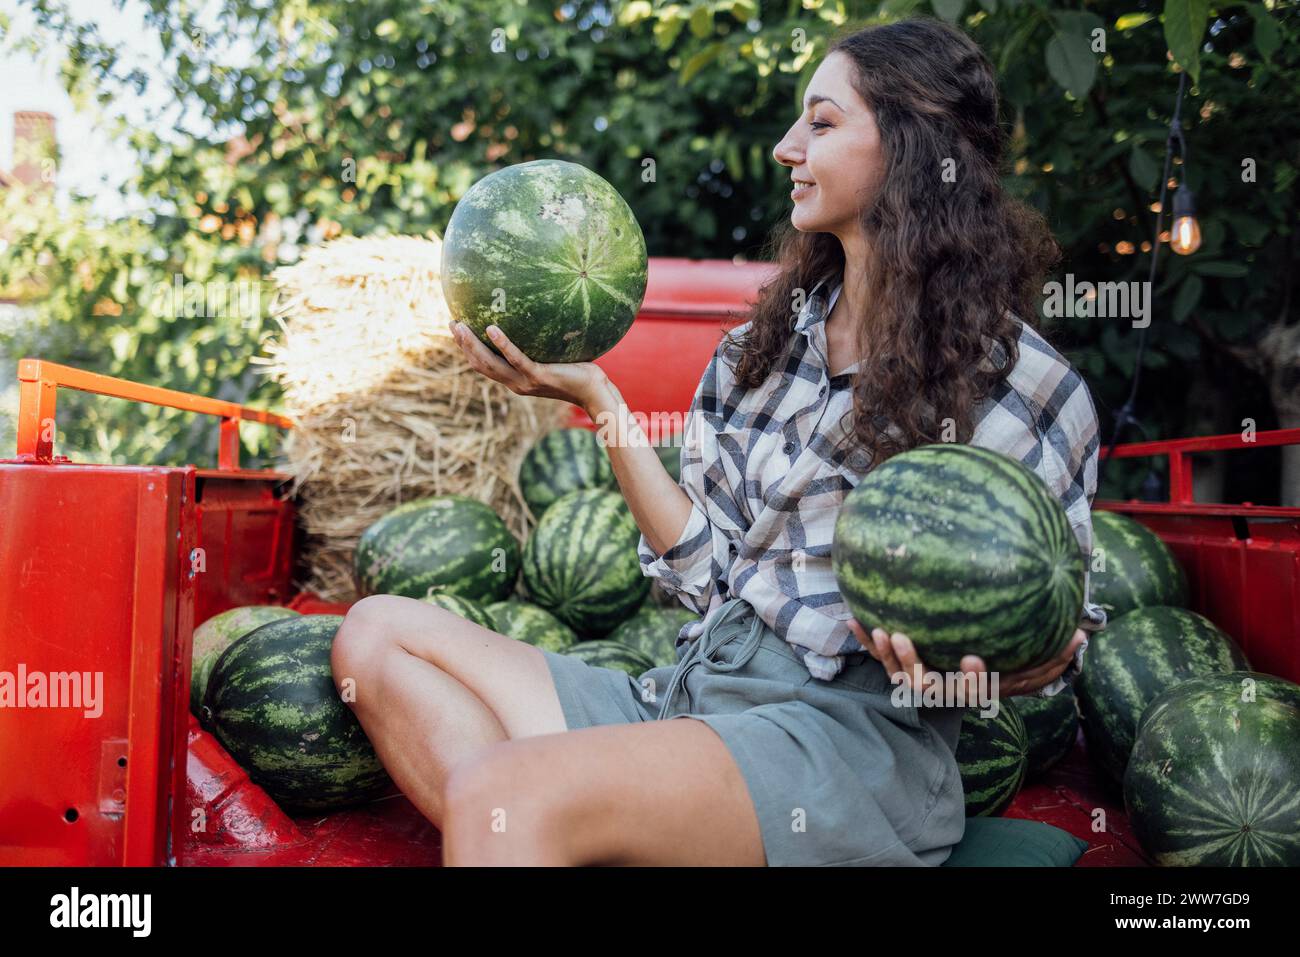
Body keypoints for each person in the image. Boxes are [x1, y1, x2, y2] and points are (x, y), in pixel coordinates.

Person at [331, 16, 1107, 866]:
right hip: (696, 695)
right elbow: (706, 570)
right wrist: (598, 396)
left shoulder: (1021, 383)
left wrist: (973, 667)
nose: (784, 147)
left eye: (820, 121)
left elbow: (1047, 642)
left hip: (842, 744)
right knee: (374, 638)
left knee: (502, 793)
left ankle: (537, 828)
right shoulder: (759, 350)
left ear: (913, 148)